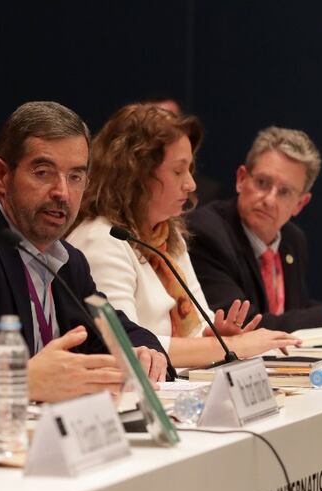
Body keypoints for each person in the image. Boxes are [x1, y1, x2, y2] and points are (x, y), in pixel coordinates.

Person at [0, 101, 170, 397]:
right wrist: (25, 380)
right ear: (1, 176)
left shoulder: (68, 262)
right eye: (43, 172)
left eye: (75, 177)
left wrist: (146, 352)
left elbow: (112, 331)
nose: (62, 193)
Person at [65, 104, 299, 368]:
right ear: (137, 173)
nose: (191, 184)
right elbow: (126, 347)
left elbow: (200, 324)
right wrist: (230, 347)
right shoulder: (101, 239)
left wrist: (216, 337)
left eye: (190, 169)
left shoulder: (167, 233)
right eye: (178, 171)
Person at [188, 127, 322, 332]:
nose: (270, 199)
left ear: (300, 204)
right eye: (262, 182)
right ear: (241, 179)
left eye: (284, 192)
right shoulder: (207, 233)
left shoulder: (292, 239)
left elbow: (291, 311)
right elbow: (244, 326)